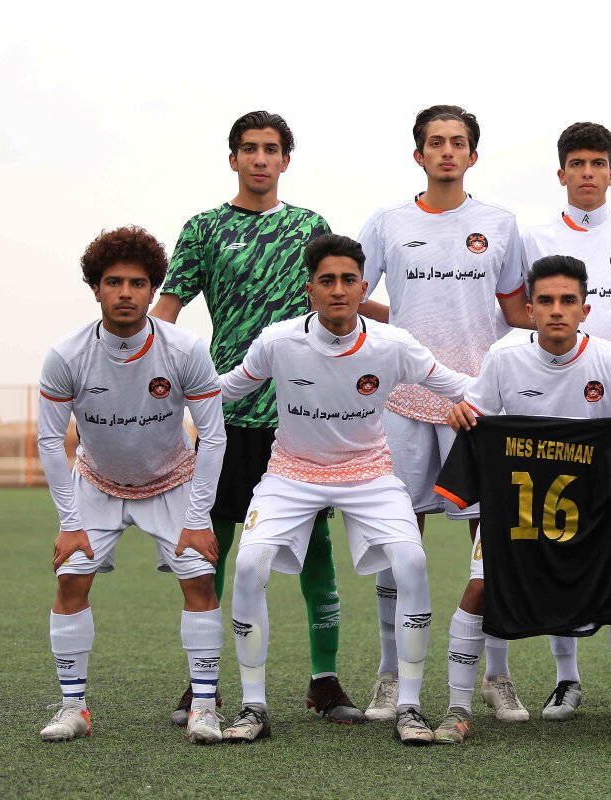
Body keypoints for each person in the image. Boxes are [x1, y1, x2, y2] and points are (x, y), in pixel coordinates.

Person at [216, 234, 469, 745]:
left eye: (348, 280)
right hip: (291, 473)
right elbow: (225, 389)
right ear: (309, 288)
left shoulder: (392, 344)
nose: (338, 290)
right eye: (327, 280)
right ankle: (253, 706)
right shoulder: (278, 340)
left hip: (368, 473)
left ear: (363, 287)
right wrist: (162, 391)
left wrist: (492, 401)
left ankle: (409, 707)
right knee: (248, 564)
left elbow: (462, 386)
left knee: (411, 561)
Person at [150, 111, 358, 725]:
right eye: (249, 149)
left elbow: (339, 295)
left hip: (299, 418)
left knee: (315, 551)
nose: (260, 159)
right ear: (233, 158)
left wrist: (405, 317)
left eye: (271, 149)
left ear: (286, 160)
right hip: (226, 416)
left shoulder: (309, 226)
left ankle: (324, 681)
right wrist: (143, 370)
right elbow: (168, 310)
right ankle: (202, 684)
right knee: (209, 548)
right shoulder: (205, 228)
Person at [433, 254, 611, 744]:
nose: (557, 310)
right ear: (530, 310)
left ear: (585, 309)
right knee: (479, 590)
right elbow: (476, 415)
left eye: (567, 301)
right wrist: (462, 417)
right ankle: (457, 710)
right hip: (516, 512)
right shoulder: (503, 358)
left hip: (591, 512)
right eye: (546, 301)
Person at [355, 104, 532, 723]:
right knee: (397, 539)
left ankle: (497, 675)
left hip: (476, 403)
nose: (447, 152)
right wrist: (401, 327)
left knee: (491, 537)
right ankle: (390, 675)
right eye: (436, 142)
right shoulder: (387, 222)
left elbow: (517, 310)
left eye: (458, 142)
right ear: (419, 154)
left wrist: (606, 329)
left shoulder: (500, 224)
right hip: (403, 400)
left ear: (473, 155)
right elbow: (350, 292)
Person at [37, 226, 226, 744]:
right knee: (71, 580)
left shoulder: (185, 348)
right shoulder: (66, 354)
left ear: (152, 289)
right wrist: (69, 523)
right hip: (97, 482)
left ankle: (203, 708)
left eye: (138, 283)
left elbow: (212, 436)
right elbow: (50, 441)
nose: (126, 293)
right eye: (114, 282)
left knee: (200, 581)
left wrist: (198, 518)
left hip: (172, 481)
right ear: (95, 289)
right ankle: (73, 707)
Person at [520, 122, 611, 720]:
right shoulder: (534, 238)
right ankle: (566, 678)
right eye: (576, 163)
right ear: (561, 173)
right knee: (558, 542)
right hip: (556, 424)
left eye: (597, 162)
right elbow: (519, 315)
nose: (587, 172)